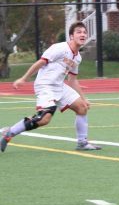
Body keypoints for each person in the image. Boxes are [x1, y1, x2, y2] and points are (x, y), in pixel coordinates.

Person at [1, 21, 101, 153]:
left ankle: (82, 143)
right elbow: (41, 62)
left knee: (82, 107)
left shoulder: (77, 58)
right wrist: (24, 78)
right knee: (44, 118)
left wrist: (84, 98)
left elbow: (72, 80)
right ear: (71, 36)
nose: (82, 34)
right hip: (45, 85)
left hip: (59, 86)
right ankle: (9, 133)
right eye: (79, 32)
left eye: (84, 32)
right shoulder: (60, 48)